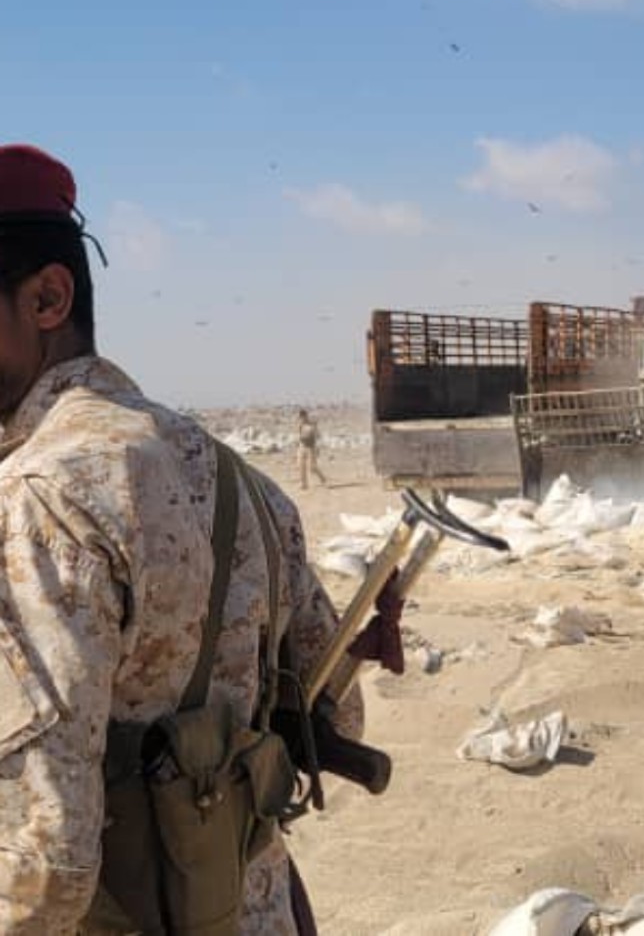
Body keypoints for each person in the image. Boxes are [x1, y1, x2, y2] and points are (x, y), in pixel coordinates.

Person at [0, 144, 365, 933]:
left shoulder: (40, 497)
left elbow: (44, 870)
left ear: (47, 298)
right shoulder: (240, 480)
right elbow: (337, 712)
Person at [297, 408, 328, 489]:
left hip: (311, 448)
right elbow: (300, 436)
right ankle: (303, 484)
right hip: (302, 447)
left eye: (303, 417)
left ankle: (322, 477)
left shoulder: (312, 425)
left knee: (312, 468)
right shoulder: (300, 425)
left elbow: (318, 436)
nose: (301, 419)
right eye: (300, 417)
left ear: (306, 416)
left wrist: (318, 448)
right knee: (301, 466)